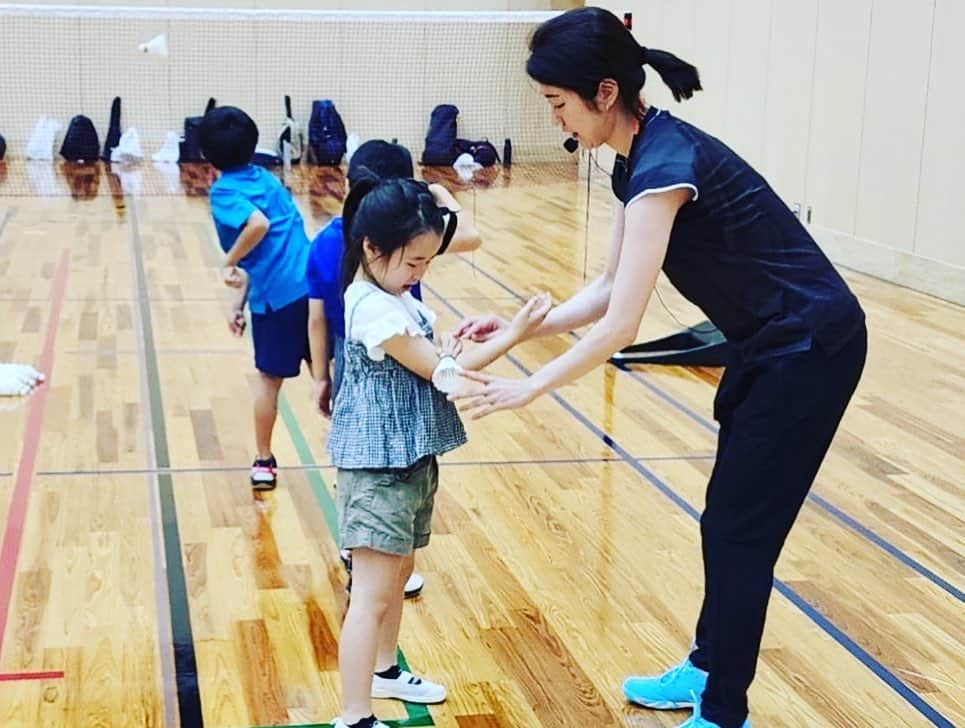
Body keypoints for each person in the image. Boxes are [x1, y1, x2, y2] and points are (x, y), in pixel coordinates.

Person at [451, 8, 867, 728]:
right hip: (766, 344)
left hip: (810, 350)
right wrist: (521, 326)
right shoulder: (637, 160)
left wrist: (530, 385)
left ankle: (722, 708)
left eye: (557, 103)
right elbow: (608, 287)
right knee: (726, 524)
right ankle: (705, 668)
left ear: (603, 93)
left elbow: (621, 325)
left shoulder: (666, 169)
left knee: (740, 533)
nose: (556, 119)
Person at [328, 172, 548, 728]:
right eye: (413, 263)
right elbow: (441, 375)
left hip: (409, 458)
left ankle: (385, 670)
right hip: (379, 468)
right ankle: (354, 716)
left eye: (428, 264)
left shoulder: (390, 295)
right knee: (371, 594)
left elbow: (432, 358)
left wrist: (456, 342)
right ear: (372, 249)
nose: (419, 275)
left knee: (397, 577)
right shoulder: (372, 306)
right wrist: (514, 335)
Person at [307, 139, 482, 600]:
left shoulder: (334, 240)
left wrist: (321, 375)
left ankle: (368, 547)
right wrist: (435, 192)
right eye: (415, 263)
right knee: (374, 454)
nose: (419, 269)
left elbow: (316, 316)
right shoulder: (398, 245)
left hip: (363, 353)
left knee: (366, 446)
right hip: (397, 351)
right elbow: (470, 234)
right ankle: (367, 548)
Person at [200, 106, 312, 490]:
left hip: (278, 304)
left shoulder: (224, 192)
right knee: (329, 379)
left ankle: (264, 461)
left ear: (206, 154)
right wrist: (238, 303)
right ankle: (357, 457)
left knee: (268, 381)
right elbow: (270, 250)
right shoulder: (266, 180)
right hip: (312, 288)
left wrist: (226, 262)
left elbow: (258, 226)